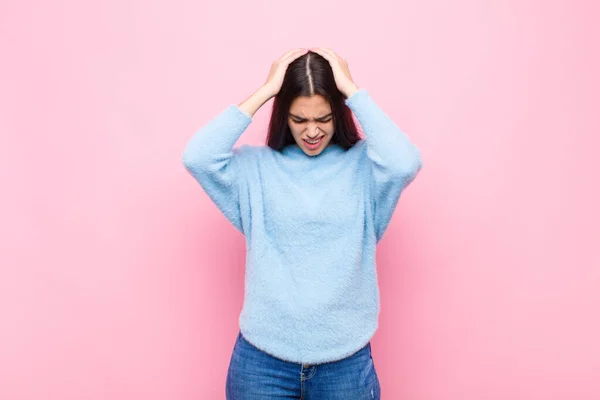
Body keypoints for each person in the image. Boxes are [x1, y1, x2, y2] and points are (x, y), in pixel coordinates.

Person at [182, 47, 423, 399]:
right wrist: (266, 91)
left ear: (339, 115)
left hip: (346, 361)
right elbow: (197, 157)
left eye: (324, 119)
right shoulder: (256, 169)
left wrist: (352, 91)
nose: (312, 131)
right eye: (299, 120)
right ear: (284, 116)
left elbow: (405, 163)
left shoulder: (366, 168)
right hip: (261, 362)